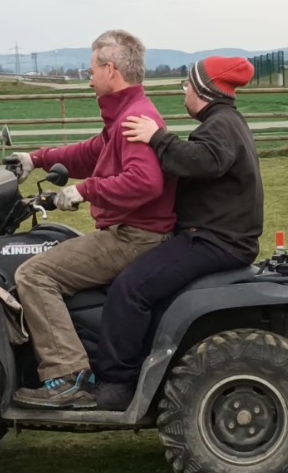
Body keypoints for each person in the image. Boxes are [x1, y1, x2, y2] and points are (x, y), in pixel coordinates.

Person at [10, 31, 178, 407]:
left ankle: (68, 377)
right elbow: (91, 154)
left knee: (34, 274)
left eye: (92, 70)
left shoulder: (133, 118)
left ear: (110, 69)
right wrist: (36, 159)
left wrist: (85, 191)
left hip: (135, 236)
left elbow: (146, 182)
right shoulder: (125, 114)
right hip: (132, 231)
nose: (89, 79)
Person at [92, 56, 264, 410]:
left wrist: (158, 138)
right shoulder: (226, 121)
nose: (184, 91)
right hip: (219, 237)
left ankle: (117, 385)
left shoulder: (221, 124)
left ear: (203, 90)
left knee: (130, 288)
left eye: (188, 84)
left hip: (215, 241)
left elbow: (204, 160)